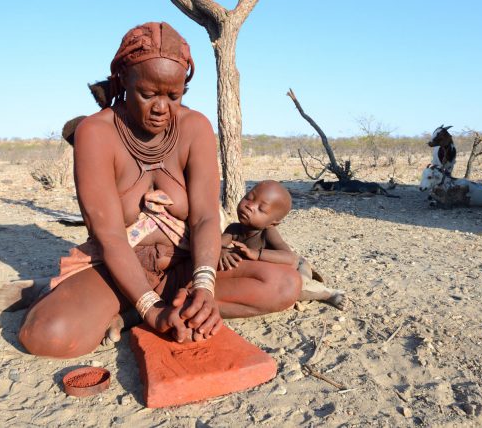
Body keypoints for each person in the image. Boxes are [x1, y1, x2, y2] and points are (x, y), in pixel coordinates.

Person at [17, 22, 301, 359]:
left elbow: (206, 218)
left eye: (173, 95)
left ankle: (165, 309)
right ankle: (144, 308)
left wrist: (204, 286)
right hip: (119, 269)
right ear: (123, 80)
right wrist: (151, 308)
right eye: (148, 94)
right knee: (46, 335)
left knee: (285, 285)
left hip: (184, 264)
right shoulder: (96, 133)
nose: (161, 108)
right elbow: (108, 235)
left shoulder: (194, 128)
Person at [220, 180, 346, 309]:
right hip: (268, 273)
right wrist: (221, 251)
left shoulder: (267, 232)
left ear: (272, 223)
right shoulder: (233, 229)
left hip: (297, 267)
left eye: (261, 208)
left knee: (296, 290)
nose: (250, 206)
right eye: (249, 198)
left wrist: (256, 254)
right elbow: (217, 245)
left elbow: (289, 257)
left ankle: (328, 294)